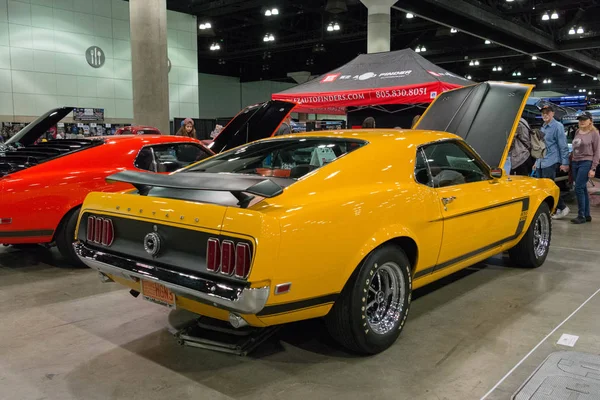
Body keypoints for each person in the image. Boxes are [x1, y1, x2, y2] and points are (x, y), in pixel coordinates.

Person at [535, 105, 570, 219]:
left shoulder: (557, 126)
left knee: (549, 187)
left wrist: (565, 163)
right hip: (541, 161)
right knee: (541, 187)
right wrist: (536, 161)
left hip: (550, 161)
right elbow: (540, 146)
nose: (545, 115)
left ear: (552, 114)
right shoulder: (543, 127)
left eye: (547, 112)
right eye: (543, 113)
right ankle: (550, 210)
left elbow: (563, 146)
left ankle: (563, 207)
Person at [569, 112, 600, 224]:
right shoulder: (577, 131)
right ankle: (587, 215)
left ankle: (581, 215)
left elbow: (597, 152)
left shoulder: (594, 133)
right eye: (580, 119)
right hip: (575, 162)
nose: (581, 121)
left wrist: (593, 168)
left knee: (578, 188)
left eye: (584, 119)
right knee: (582, 189)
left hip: (586, 162)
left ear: (590, 121)